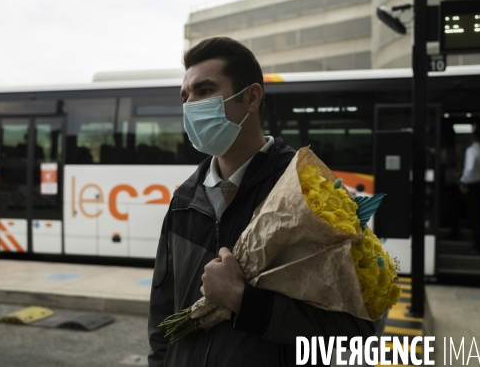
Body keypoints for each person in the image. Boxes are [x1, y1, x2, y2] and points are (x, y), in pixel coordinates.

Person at [147, 37, 374, 367]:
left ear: (251, 97)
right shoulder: (185, 198)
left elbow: (355, 331)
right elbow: (161, 313)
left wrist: (244, 301)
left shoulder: (309, 192)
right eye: (186, 96)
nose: (190, 105)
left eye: (205, 91)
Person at [458, 126, 480, 255]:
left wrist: (463, 182)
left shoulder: (471, 150)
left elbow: (469, 168)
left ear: (473, 137)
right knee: (476, 216)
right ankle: (477, 245)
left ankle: (476, 246)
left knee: (472, 216)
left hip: (471, 186)